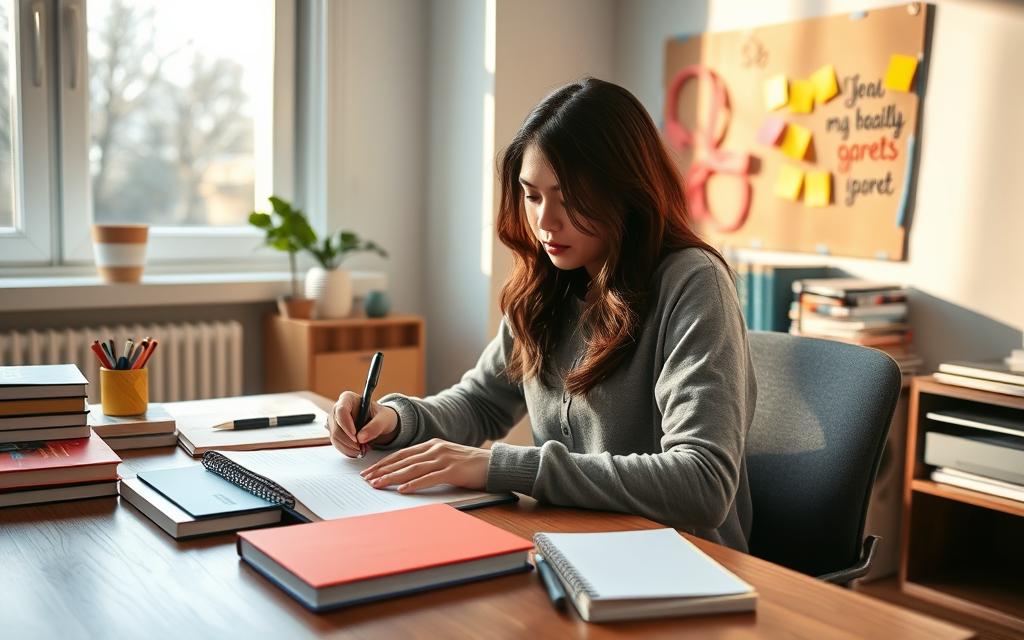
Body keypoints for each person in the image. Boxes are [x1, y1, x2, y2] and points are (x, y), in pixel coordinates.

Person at [327, 77, 757, 551]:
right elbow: (481, 402)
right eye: (532, 195)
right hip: (573, 544)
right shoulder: (547, 283)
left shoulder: (693, 283)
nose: (545, 222)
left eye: (568, 199)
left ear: (626, 192)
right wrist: (393, 419)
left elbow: (703, 482)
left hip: (685, 564)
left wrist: (500, 466)